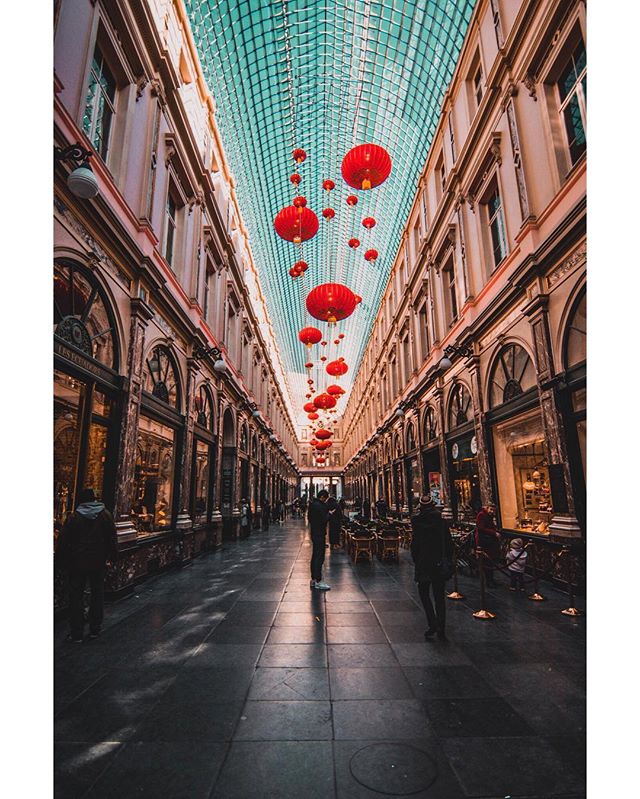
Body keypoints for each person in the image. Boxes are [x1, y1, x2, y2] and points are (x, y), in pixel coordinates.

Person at [55, 488, 117, 642]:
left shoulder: (74, 517)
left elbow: (63, 542)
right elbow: (112, 538)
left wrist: (59, 561)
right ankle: (95, 628)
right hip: (98, 562)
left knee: (76, 596)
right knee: (97, 593)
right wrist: (113, 557)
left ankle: (77, 632)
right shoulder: (105, 516)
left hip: (77, 563)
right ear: (94, 499)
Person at [410, 495, 453, 641]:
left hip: (423, 563)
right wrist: (448, 560)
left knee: (424, 594)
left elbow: (414, 544)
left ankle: (432, 623)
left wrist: (416, 559)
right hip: (438, 563)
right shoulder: (441, 522)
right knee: (439, 597)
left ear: (420, 506)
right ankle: (442, 628)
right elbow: (448, 543)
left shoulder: (416, 521)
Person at [308, 489, 332, 590]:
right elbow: (324, 519)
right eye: (325, 498)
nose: (326, 501)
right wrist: (329, 514)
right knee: (319, 557)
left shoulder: (313, 505)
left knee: (315, 556)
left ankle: (313, 579)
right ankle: (318, 580)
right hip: (319, 533)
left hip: (314, 532)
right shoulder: (320, 506)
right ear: (322, 497)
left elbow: (309, 518)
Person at [475, 505, 501, 586]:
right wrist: (494, 533)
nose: (492, 511)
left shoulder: (489, 516)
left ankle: (491, 579)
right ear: (487, 508)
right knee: (487, 561)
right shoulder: (481, 515)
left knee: (490, 561)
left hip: (490, 541)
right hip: (484, 541)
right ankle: (488, 581)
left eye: (494, 510)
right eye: (491, 509)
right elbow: (481, 528)